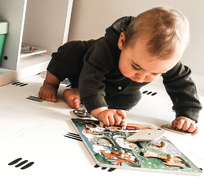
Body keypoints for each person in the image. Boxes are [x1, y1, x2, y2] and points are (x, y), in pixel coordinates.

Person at [38, 7, 201, 134]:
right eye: (136, 67)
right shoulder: (105, 49)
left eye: (154, 73)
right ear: (122, 41)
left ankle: (81, 95)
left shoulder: (163, 61)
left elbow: (182, 84)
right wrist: (101, 111)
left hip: (114, 88)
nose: (141, 78)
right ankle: (50, 83)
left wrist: (187, 114)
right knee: (71, 50)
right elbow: (91, 78)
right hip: (82, 71)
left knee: (131, 99)